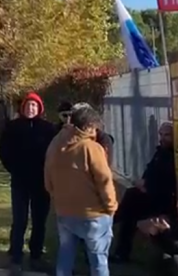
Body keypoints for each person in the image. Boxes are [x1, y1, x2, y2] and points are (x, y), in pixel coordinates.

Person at [45, 106, 116, 276]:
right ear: (90, 125)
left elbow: (48, 175)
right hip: (92, 214)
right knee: (98, 260)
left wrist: (56, 196)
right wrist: (111, 207)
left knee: (65, 254)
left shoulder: (56, 144)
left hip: (64, 210)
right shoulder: (91, 148)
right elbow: (104, 181)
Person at [0, 92, 56, 271]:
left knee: (39, 221)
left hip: (41, 182)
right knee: (19, 220)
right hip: (20, 181)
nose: (31, 109)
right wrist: (14, 169)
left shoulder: (48, 128)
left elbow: (54, 153)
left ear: (39, 108)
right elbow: (4, 151)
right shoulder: (13, 127)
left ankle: (36, 255)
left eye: (34, 106)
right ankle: (16, 255)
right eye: (28, 105)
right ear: (22, 108)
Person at [113, 122, 177, 262]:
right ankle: (120, 249)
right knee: (130, 207)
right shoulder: (160, 152)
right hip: (150, 195)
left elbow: (167, 182)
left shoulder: (173, 156)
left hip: (163, 200)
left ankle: (109, 223)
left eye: (167, 135)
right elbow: (151, 172)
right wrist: (143, 183)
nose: (163, 138)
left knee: (130, 203)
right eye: (161, 134)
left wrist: (146, 185)